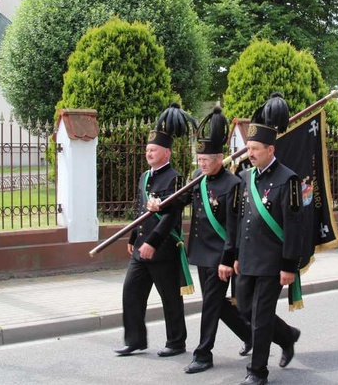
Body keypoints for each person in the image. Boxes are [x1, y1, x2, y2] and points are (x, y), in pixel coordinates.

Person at [161, 105, 251, 374]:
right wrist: (161, 206)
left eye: (206, 159)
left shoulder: (233, 184)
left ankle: (203, 354)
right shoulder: (198, 177)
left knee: (215, 304)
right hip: (201, 252)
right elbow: (182, 201)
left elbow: (233, 228)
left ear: (220, 157)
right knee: (218, 305)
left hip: (222, 255)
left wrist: (228, 258)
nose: (201, 163)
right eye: (198, 158)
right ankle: (260, 336)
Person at [230, 93, 302, 385]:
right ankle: (286, 336)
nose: (250, 154)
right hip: (247, 259)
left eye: (255, 148)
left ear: (271, 149)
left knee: (260, 317)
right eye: (248, 148)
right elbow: (240, 220)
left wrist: (288, 266)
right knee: (245, 310)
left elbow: (295, 227)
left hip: (273, 263)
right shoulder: (245, 177)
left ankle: (257, 372)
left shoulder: (289, 180)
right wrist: (234, 255)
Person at [115, 103, 194, 357]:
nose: (148, 153)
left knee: (170, 297)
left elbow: (171, 216)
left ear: (166, 153)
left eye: (154, 150)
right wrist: (134, 236)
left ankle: (176, 342)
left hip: (163, 248)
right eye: (147, 150)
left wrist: (153, 242)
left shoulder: (176, 179)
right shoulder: (144, 177)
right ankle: (135, 339)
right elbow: (140, 210)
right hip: (141, 247)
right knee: (131, 292)